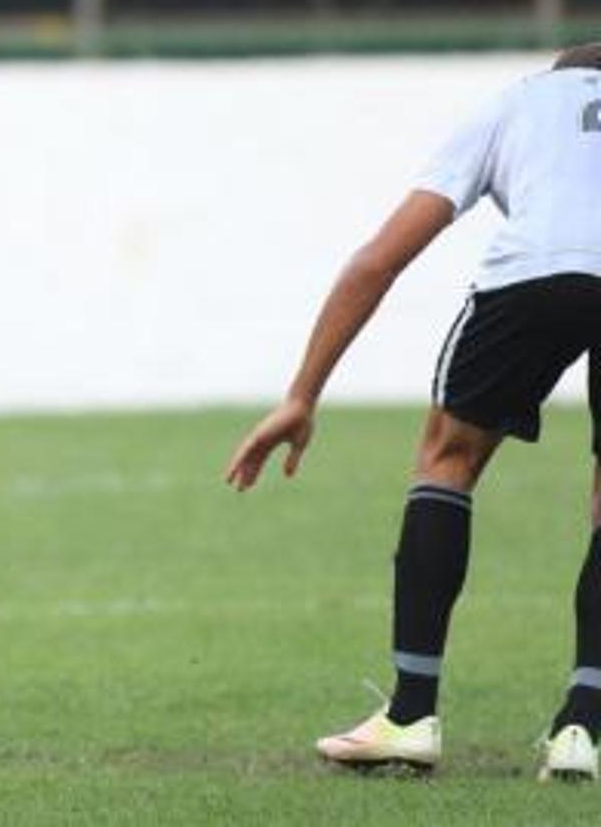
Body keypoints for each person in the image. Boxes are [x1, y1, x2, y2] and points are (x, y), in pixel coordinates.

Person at [225, 44, 601, 781]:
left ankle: (410, 714)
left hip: (531, 277)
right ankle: (584, 730)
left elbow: (379, 260)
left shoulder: (518, 102)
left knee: (449, 459)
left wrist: (302, 394)